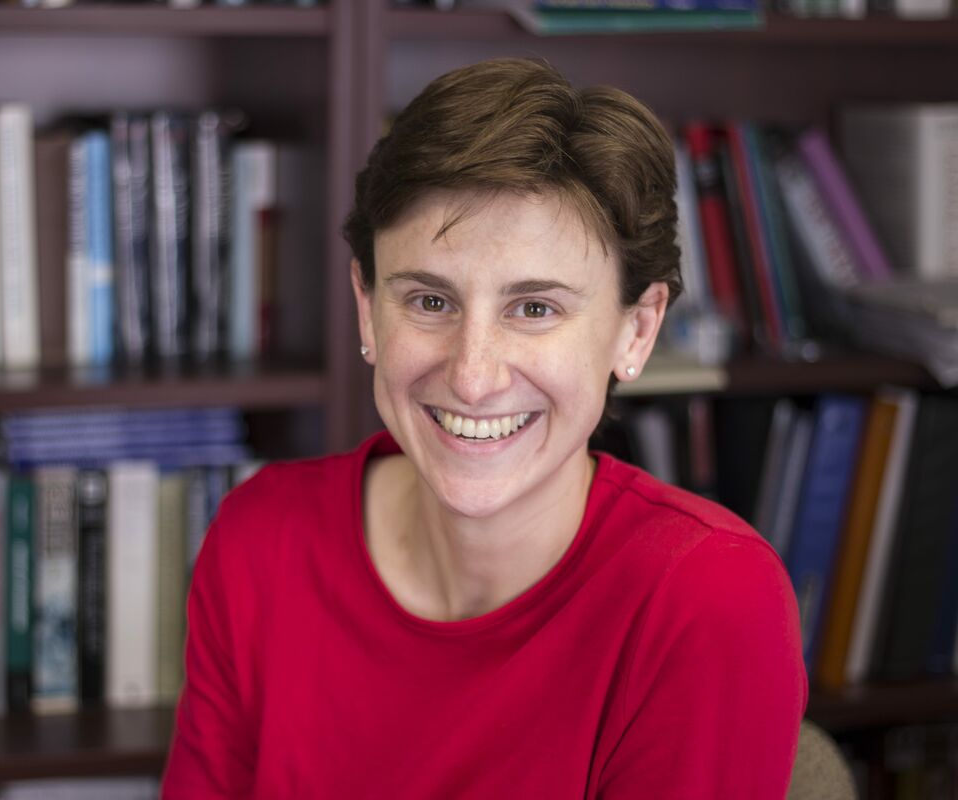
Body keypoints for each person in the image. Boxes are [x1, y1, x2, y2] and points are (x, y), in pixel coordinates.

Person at [162, 57, 807, 799]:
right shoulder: (260, 539)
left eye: (534, 309)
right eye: (430, 302)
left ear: (637, 330)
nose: (473, 375)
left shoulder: (707, 599)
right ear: (367, 308)